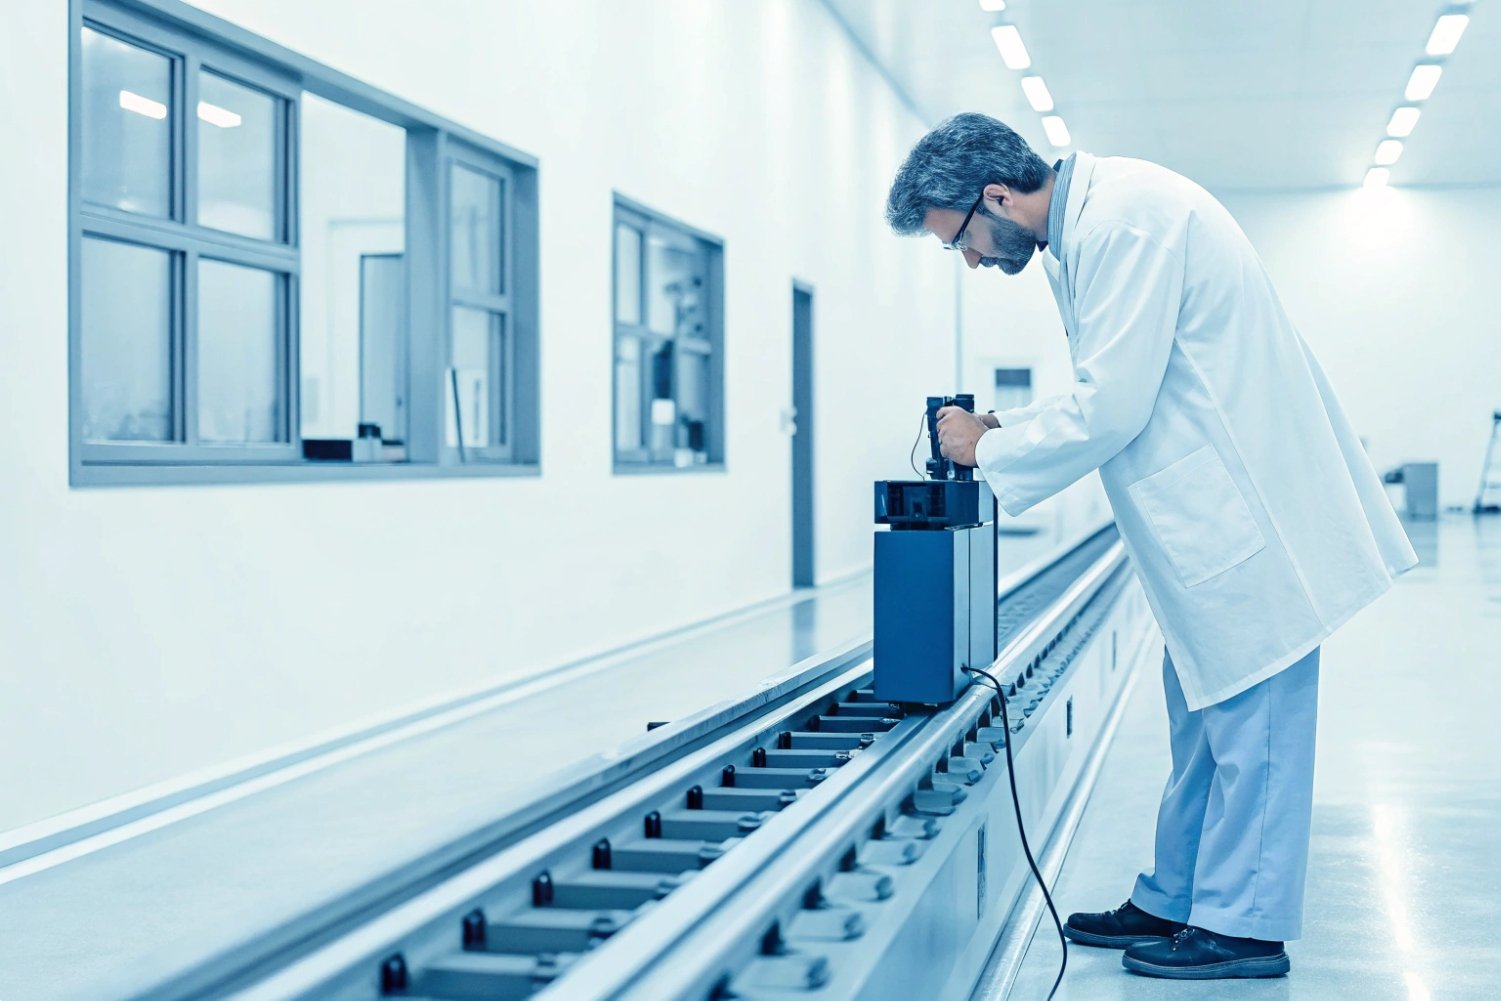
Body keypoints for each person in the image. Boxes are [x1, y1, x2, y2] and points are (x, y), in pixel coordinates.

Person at [885, 113, 1418, 981]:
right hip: (1209, 518)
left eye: (965, 242)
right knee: (1203, 720)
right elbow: (1121, 385)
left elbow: (1114, 403)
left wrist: (986, 445)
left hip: (1251, 520)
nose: (974, 262)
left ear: (995, 196)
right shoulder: (1089, 231)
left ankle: (1243, 926)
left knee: (1257, 727)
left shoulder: (1128, 218)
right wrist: (1004, 429)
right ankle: (1175, 896)